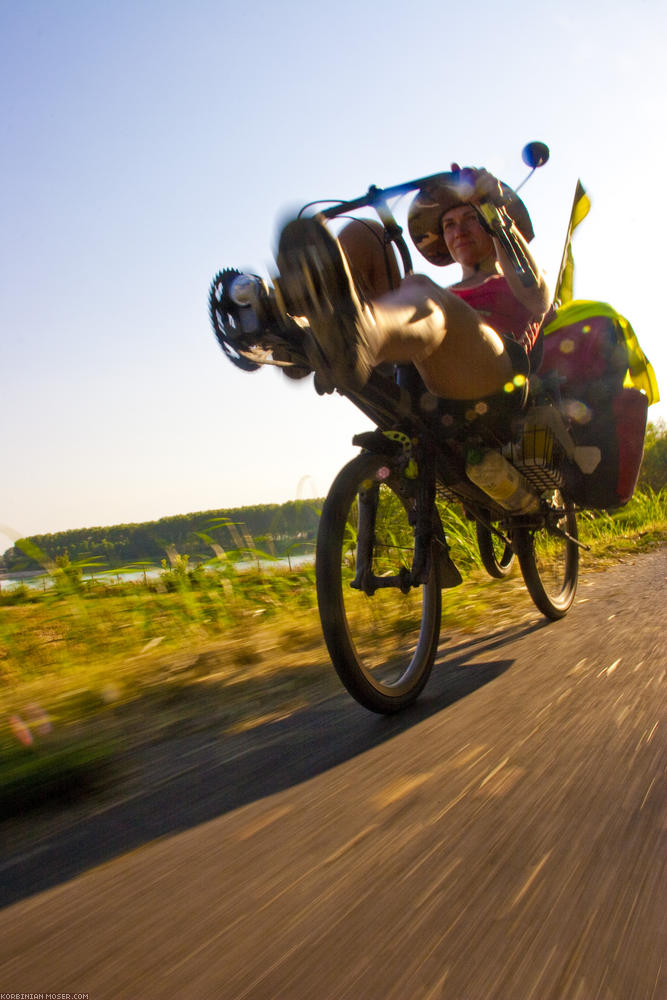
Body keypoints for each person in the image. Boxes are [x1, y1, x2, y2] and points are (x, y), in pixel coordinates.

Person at [275, 166, 551, 421]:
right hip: (419, 379)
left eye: (471, 218)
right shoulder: (432, 296)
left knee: (421, 290)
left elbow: (537, 299)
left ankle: (358, 335)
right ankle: (301, 330)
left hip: (494, 376)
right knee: (368, 232)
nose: (459, 231)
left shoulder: (514, 277)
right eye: (449, 225)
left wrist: (494, 212)